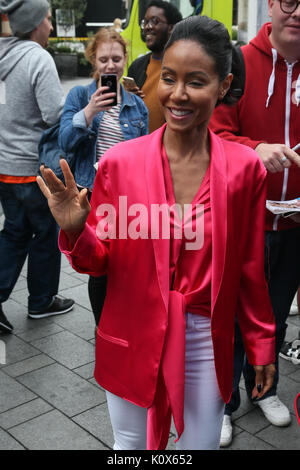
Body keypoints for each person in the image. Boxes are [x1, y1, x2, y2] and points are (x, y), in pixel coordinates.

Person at [37, 15, 276, 451]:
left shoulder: (244, 170)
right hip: (131, 333)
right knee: (129, 446)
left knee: (198, 446)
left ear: (223, 87)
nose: (177, 94)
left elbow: (249, 267)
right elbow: (98, 260)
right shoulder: (120, 164)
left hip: (206, 339)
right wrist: (75, 232)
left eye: (196, 81)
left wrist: (261, 343)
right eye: (168, 77)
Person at [209, 0, 300, 446]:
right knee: (229, 321)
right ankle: (223, 401)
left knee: (277, 316)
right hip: (243, 225)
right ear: (270, 5)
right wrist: (255, 150)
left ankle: (264, 388)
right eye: (289, 1)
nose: (297, 12)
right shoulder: (241, 63)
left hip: (295, 224)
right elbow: (214, 137)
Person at [58, 27, 149, 328]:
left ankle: (125, 319)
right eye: (103, 59)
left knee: (126, 263)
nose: (110, 65)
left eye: (116, 58)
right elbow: (65, 142)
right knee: (99, 264)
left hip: (129, 196)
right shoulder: (80, 95)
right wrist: (89, 111)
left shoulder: (138, 105)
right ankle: (103, 325)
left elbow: (145, 154)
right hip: (93, 194)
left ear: (125, 60)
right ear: (93, 62)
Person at [0, 0, 74, 334]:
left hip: (4, 166)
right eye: (47, 19)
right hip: (33, 168)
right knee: (46, 233)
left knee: (15, 232)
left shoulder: (3, 56)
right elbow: (52, 115)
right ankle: (42, 301)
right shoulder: (36, 57)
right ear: (34, 23)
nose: (51, 26)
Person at [127, 0, 182, 133]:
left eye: (155, 21)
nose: (147, 27)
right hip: (141, 146)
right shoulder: (137, 66)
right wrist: (128, 99)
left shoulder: (183, 66)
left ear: (171, 28)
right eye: (145, 22)